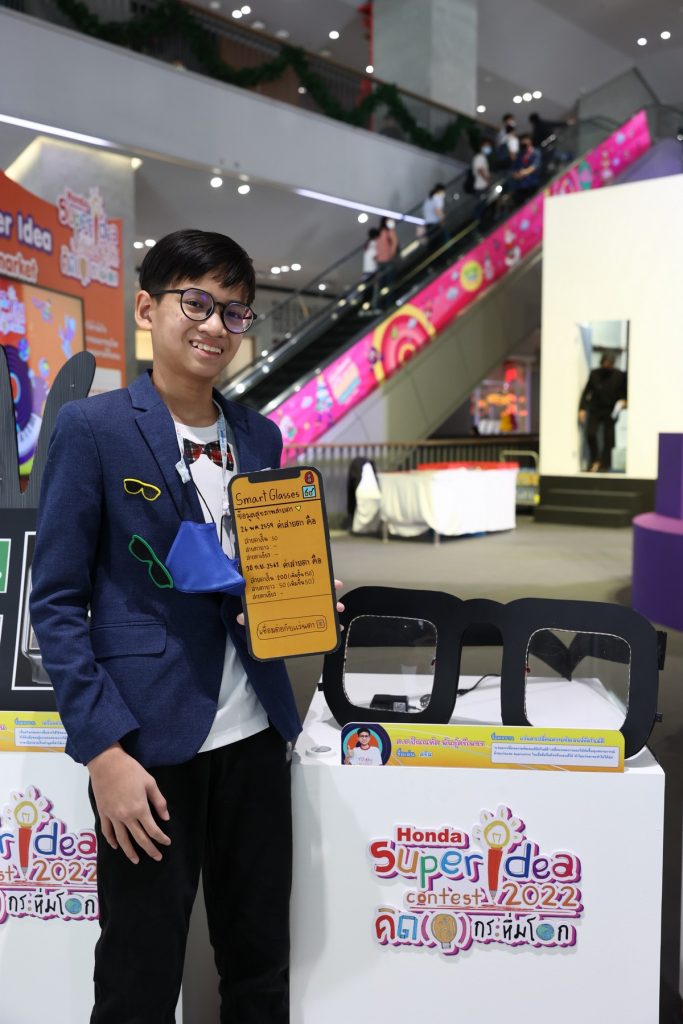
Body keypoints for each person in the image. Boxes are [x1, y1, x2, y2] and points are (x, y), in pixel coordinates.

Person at [29, 228, 342, 1022]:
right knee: (137, 978)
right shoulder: (94, 429)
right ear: (147, 308)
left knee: (259, 968)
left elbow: (252, 567)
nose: (214, 326)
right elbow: (56, 601)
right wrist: (103, 753)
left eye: (234, 312)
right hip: (146, 747)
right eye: (196, 303)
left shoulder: (258, 435)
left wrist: (301, 598)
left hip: (255, 740)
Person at [578, 351, 627, 472]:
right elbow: (586, 392)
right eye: (605, 362)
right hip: (595, 409)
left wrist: (624, 401)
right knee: (590, 434)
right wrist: (582, 408)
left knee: (609, 438)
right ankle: (594, 460)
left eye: (609, 363)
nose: (607, 365)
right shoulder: (595, 374)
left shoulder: (619, 376)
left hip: (611, 410)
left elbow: (625, 393)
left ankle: (604, 465)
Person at [507, 133, 542, 206]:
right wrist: (515, 175)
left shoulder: (536, 152)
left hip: (532, 184)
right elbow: (514, 168)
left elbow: (534, 167)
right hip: (520, 186)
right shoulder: (520, 154)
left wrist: (523, 173)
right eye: (522, 142)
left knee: (534, 205)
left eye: (525, 141)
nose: (524, 143)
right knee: (519, 205)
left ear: (530, 141)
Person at [373, 216, 399, 310]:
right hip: (386, 262)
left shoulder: (380, 233)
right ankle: (388, 305)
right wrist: (391, 255)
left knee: (382, 285)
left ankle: (381, 306)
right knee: (388, 285)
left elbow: (393, 243)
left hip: (381, 262)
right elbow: (395, 242)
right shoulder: (388, 231)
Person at [471, 140, 493, 231]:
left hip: (483, 186)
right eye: (486, 146)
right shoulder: (479, 157)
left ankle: (478, 225)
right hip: (480, 187)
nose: (488, 148)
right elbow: (480, 170)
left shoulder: (483, 158)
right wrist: (487, 179)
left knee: (483, 207)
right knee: (480, 208)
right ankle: (476, 226)